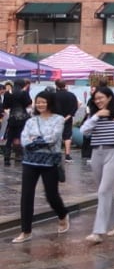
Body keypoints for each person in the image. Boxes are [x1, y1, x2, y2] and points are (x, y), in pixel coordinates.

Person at [11, 89, 70, 243]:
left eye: (43, 101)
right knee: (26, 195)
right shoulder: (31, 121)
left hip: (50, 162)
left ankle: (63, 214)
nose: (40, 104)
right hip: (30, 162)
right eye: (38, 102)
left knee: (51, 195)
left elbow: (53, 138)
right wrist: (36, 141)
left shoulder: (58, 119)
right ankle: (26, 231)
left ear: (50, 102)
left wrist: (34, 140)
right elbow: (25, 140)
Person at [80, 85, 114, 244]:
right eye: (95, 99)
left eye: (101, 98)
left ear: (109, 97)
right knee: (105, 191)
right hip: (97, 153)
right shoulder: (94, 115)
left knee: (103, 191)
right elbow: (83, 131)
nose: (98, 101)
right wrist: (96, 116)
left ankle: (98, 231)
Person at [3, 79, 32, 167]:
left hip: (12, 118)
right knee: (22, 137)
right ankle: (22, 156)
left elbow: (5, 106)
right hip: (23, 118)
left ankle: (7, 159)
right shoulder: (24, 92)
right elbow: (28, 103)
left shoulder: (8, 93)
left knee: (10, 139)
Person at [53, 79, 80, 162]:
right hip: (68, 119)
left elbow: (51, 108)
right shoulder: (72, 95)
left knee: (55, 136)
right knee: (67, 136)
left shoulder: (53, 96)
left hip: (55, 119)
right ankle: (67, 155)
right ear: (65, 85)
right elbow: (75, 107)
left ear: (56, 86)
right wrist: (67, 117)